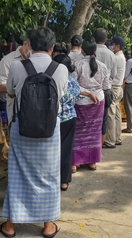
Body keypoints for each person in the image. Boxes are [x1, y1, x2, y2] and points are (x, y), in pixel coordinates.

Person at [0, 27, 68, 238]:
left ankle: (10, 226)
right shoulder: (61, 69)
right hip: (50, 129)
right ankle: (48, 226)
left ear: (29, 44)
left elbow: (10, 92)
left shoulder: (18, 66)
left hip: (22, 127)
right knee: (48, 176)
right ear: (52, 47)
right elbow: (61, 95)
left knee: (18, 174)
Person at [72, 40, 109, 171]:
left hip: (82, 101)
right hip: (98, 101)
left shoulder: (77, 64)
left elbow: (74, 85)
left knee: (78, 131)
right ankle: (92, 161)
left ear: (82, 49)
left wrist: (87, 93)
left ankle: (75, 162)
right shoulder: (102, 66)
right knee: (94, 131)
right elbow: (105, 86)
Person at [53, 54, 80, 191]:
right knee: (66, 149)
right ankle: (64, 181)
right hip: (70, 118)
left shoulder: (51, 79)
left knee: (52, 150)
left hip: (54, 119)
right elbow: (77, 95)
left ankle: (52, 178)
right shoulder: (72, 81)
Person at [0, 35, 31, 124]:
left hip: (33, 111)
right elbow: (0, 86)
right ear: (25, 44)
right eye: (31, 48)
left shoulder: (35, 59)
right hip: (15, 112)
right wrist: (21, 89)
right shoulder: (8, 61)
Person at [93, 28, 116, 144]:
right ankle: (100, 146)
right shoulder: (111, 54)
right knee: (104, 119)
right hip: (106, 90)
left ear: (93, 38)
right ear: (106, 39)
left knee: (91, 119)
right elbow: (113, 74)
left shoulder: (90, 52)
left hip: (91, 91)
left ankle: (91, 144)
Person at [103, 36, 126, 148]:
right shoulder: (121, 56)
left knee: (110, 114)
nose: (111, 47)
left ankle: (110, 140)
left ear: (117, 46)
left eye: (113, 45)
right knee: (116, 113)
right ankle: (117, 137)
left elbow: (112, 74)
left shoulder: (116, 58)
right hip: (118, 87)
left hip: (114, 87)